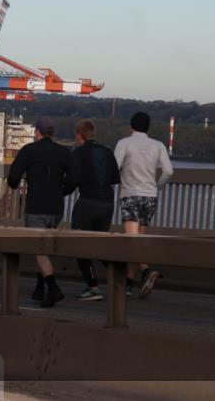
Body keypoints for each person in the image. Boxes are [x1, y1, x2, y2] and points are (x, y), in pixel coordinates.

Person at [7, 119, 78, 308]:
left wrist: (15, 184)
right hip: (56, 207)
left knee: (39, 249)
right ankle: (40, 290)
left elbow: (13, 177)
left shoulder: (29, 150)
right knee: (45, 250)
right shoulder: (64, 152)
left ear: (38, 132)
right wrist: (62, 191)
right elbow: (75, 178)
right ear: (51, 133)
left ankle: (53, 288)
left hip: (36, 205)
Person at [115, 111, 173, 298]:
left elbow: (115, 167)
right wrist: (157, 186)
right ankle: (130, 285)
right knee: (138, 239)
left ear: (131, 126)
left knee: (132, 240)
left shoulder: (124, 143)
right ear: (148, 126)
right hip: (150, 197)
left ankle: (147, 270)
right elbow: (168, 171)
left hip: (131, 194)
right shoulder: (158, 145)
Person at [70, 119, 120, 301]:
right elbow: (115, 178)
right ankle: (119, 276)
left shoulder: (79, 152)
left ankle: (93, 287)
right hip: (107, 204)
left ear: (79, 135)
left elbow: (73, 178)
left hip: (87, 203)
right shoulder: (107, 152)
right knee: (100, 245)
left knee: (79, 243)